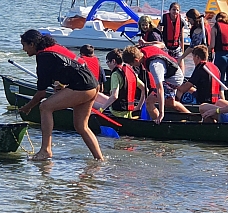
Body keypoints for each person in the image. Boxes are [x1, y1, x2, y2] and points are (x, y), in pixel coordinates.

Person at [16, 29, 104, 160]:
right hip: (93, 85)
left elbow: (41, 93)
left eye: (24, 45)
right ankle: (99, 159)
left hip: (83, 87)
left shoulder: (43, 56)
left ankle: (46, 150)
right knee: (81, 126)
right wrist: (62, 86)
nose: (24, 49)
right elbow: (69, 69)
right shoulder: (53, 48)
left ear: (32, 44)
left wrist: (28, 106)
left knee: (45, 107)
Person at [136, 44, 190, 123]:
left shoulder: (154, 66)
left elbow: (160, 89)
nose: (132, 66)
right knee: (170, 104)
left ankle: (158, 122)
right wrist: (146, 43)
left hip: (172, 81)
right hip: (173, 75)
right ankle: (192, 116)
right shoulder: (145, 49)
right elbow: (162, 44)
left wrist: (161, 113)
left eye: (132, 64)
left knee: (149, 102)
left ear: (136, 60)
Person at [98, 48, 146, 118]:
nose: (107, 64)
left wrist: (101, 110)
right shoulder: (131, 72)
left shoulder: (115, 74)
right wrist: (139, 107)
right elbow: (145, 89)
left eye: (108, 62)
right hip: (128, 111)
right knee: (96, 95)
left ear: (113, 61)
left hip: (116, 112)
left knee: (90, 103)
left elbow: (114, 96)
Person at [159, 2, 185, 73]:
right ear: (170, 10)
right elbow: (158, 32)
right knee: (166, 64)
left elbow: (181, 37)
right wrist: (160, 28)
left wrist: (182, 50)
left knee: (181, 62)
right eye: (173, 10)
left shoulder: (181, 21)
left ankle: (182, 78)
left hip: (176, 47)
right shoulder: (164, 19)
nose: (175, 12)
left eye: (177, 10)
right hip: (166, 47)